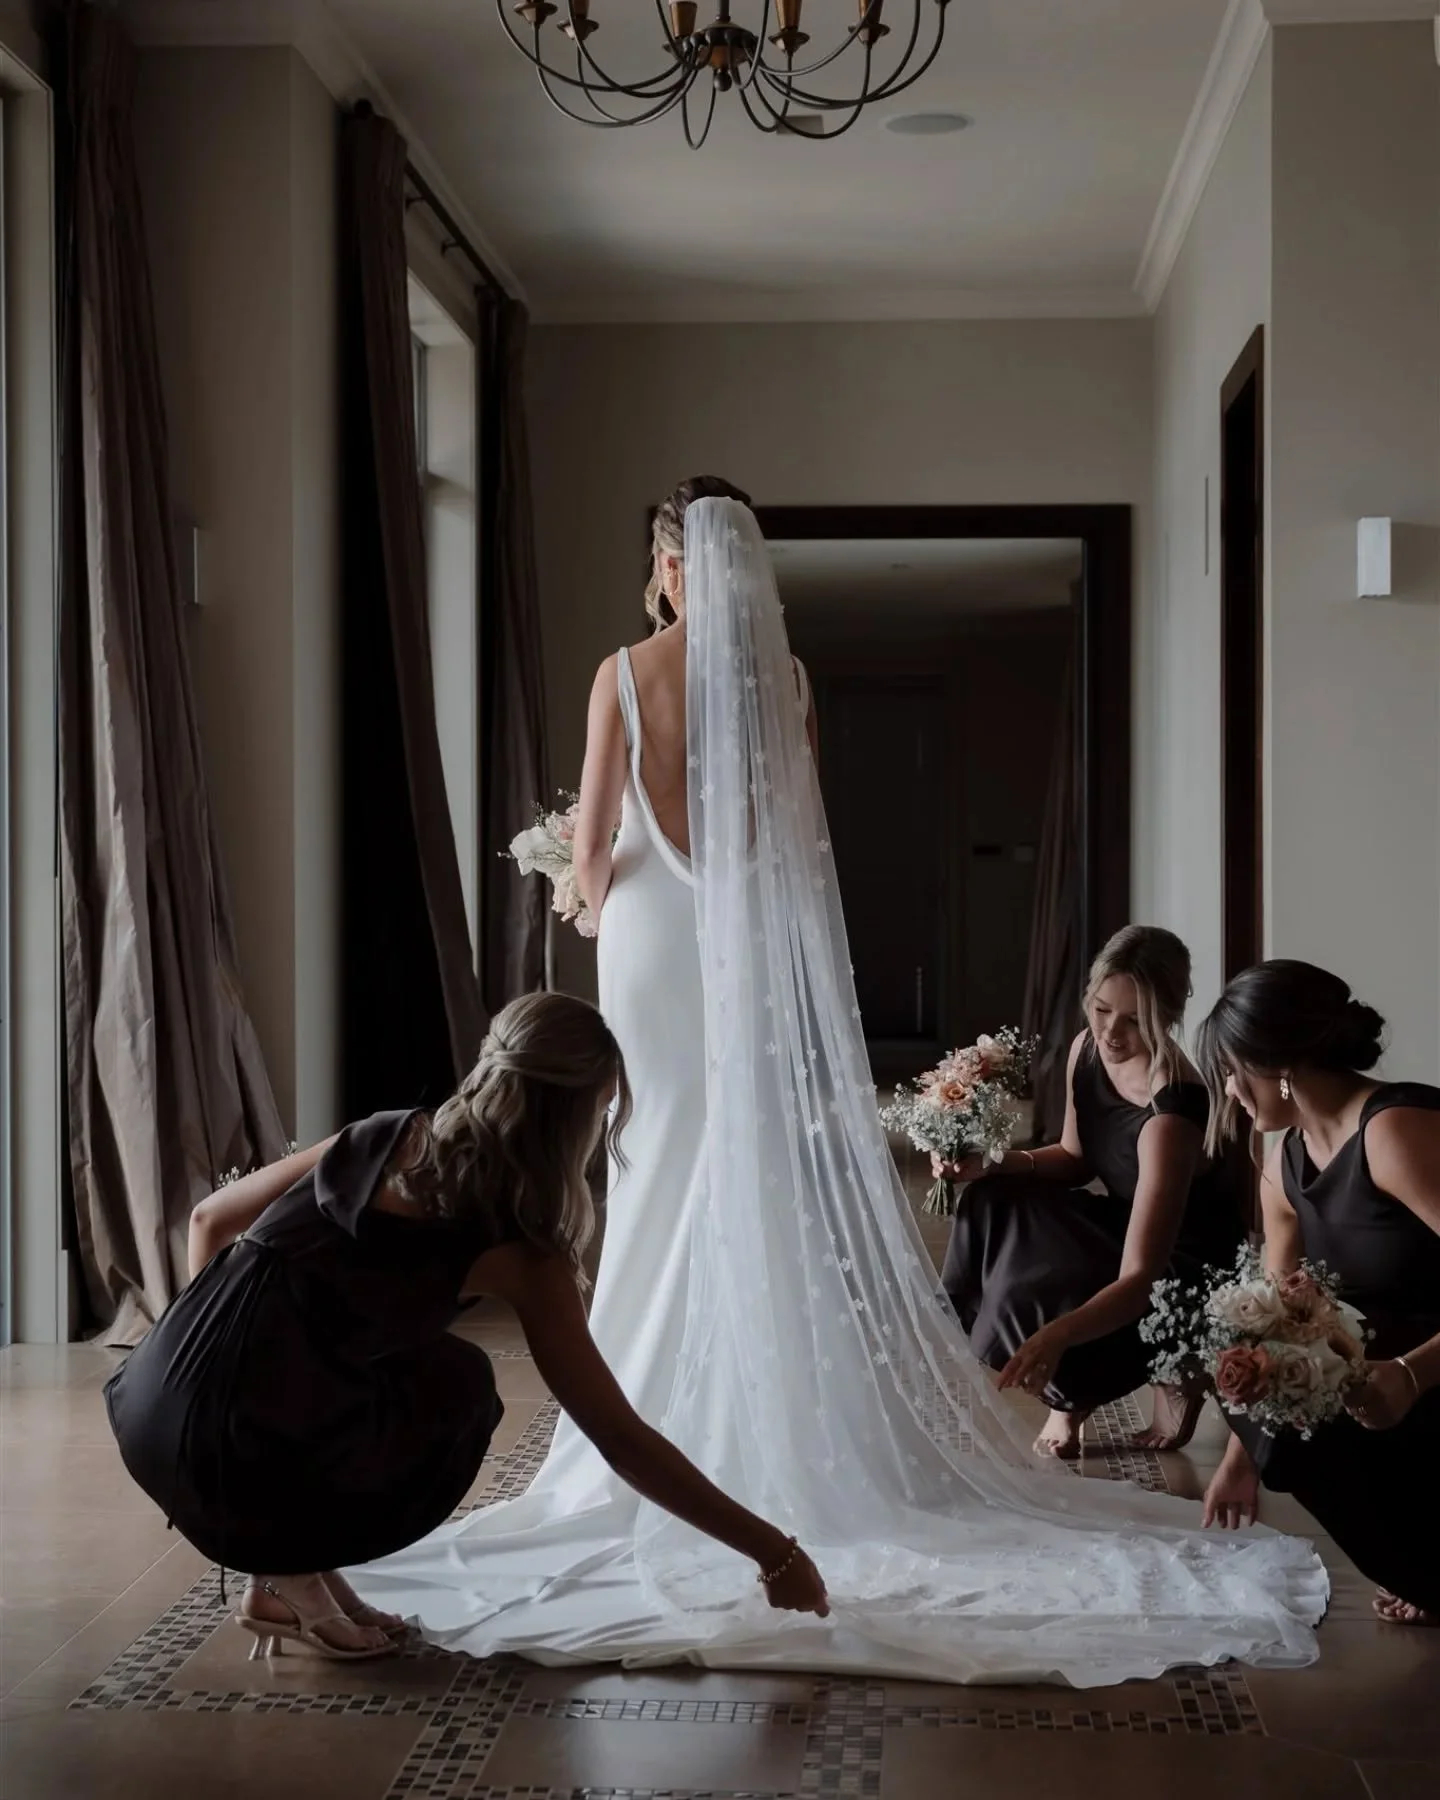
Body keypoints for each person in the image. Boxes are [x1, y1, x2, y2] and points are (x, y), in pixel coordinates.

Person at [351, 482, 1327, 1686]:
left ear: (665, 566)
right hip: (747, 958)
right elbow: (798, 854)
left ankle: (643, 1432)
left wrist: (571, 886)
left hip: (652, 951)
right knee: (749, 1159)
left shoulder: (621, 673)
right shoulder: (790, 683)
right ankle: (788, 1432)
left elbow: (597, 857)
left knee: (656, 1159)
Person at [104, 992, 828, 1659]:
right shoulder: (517, 1251)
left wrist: (197, 1357)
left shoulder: (380, 1135)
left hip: (149, 1410)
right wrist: (775, 1553)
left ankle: (286, 1570)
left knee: (393, 1366)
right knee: (458, 1392)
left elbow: (209, 1219)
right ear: (567, 1121)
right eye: (602, 1111)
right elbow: (618, 1437)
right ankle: (284, 1553)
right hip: (221, 1456)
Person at [1194, 960, 1440, 1627]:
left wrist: (1412, 1377)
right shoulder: (1283, 1163)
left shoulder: (1394, 1131)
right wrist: (1240, 1461)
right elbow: (1278, 1319)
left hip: (1427, 1369)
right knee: (1250, 1367)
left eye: (1231, 1068)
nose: (1229, 1089)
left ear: (1278, 1066)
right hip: (1383, 1380)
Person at [936, 926, 1243, 1459]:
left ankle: (1143, 1373)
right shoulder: (1087, 1050)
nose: (1111, 1033)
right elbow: (1074, 1159)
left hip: (1181, 1265)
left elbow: (1142, 1276)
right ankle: (1068, 1375)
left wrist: (1055, 1335)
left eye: (1134, 1020)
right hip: (1125, 1223)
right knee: (993, 1201)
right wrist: (988, 1165)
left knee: (1036, 1287)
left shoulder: (1172, 1111)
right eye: (1102, 1010)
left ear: (1168, 1016)